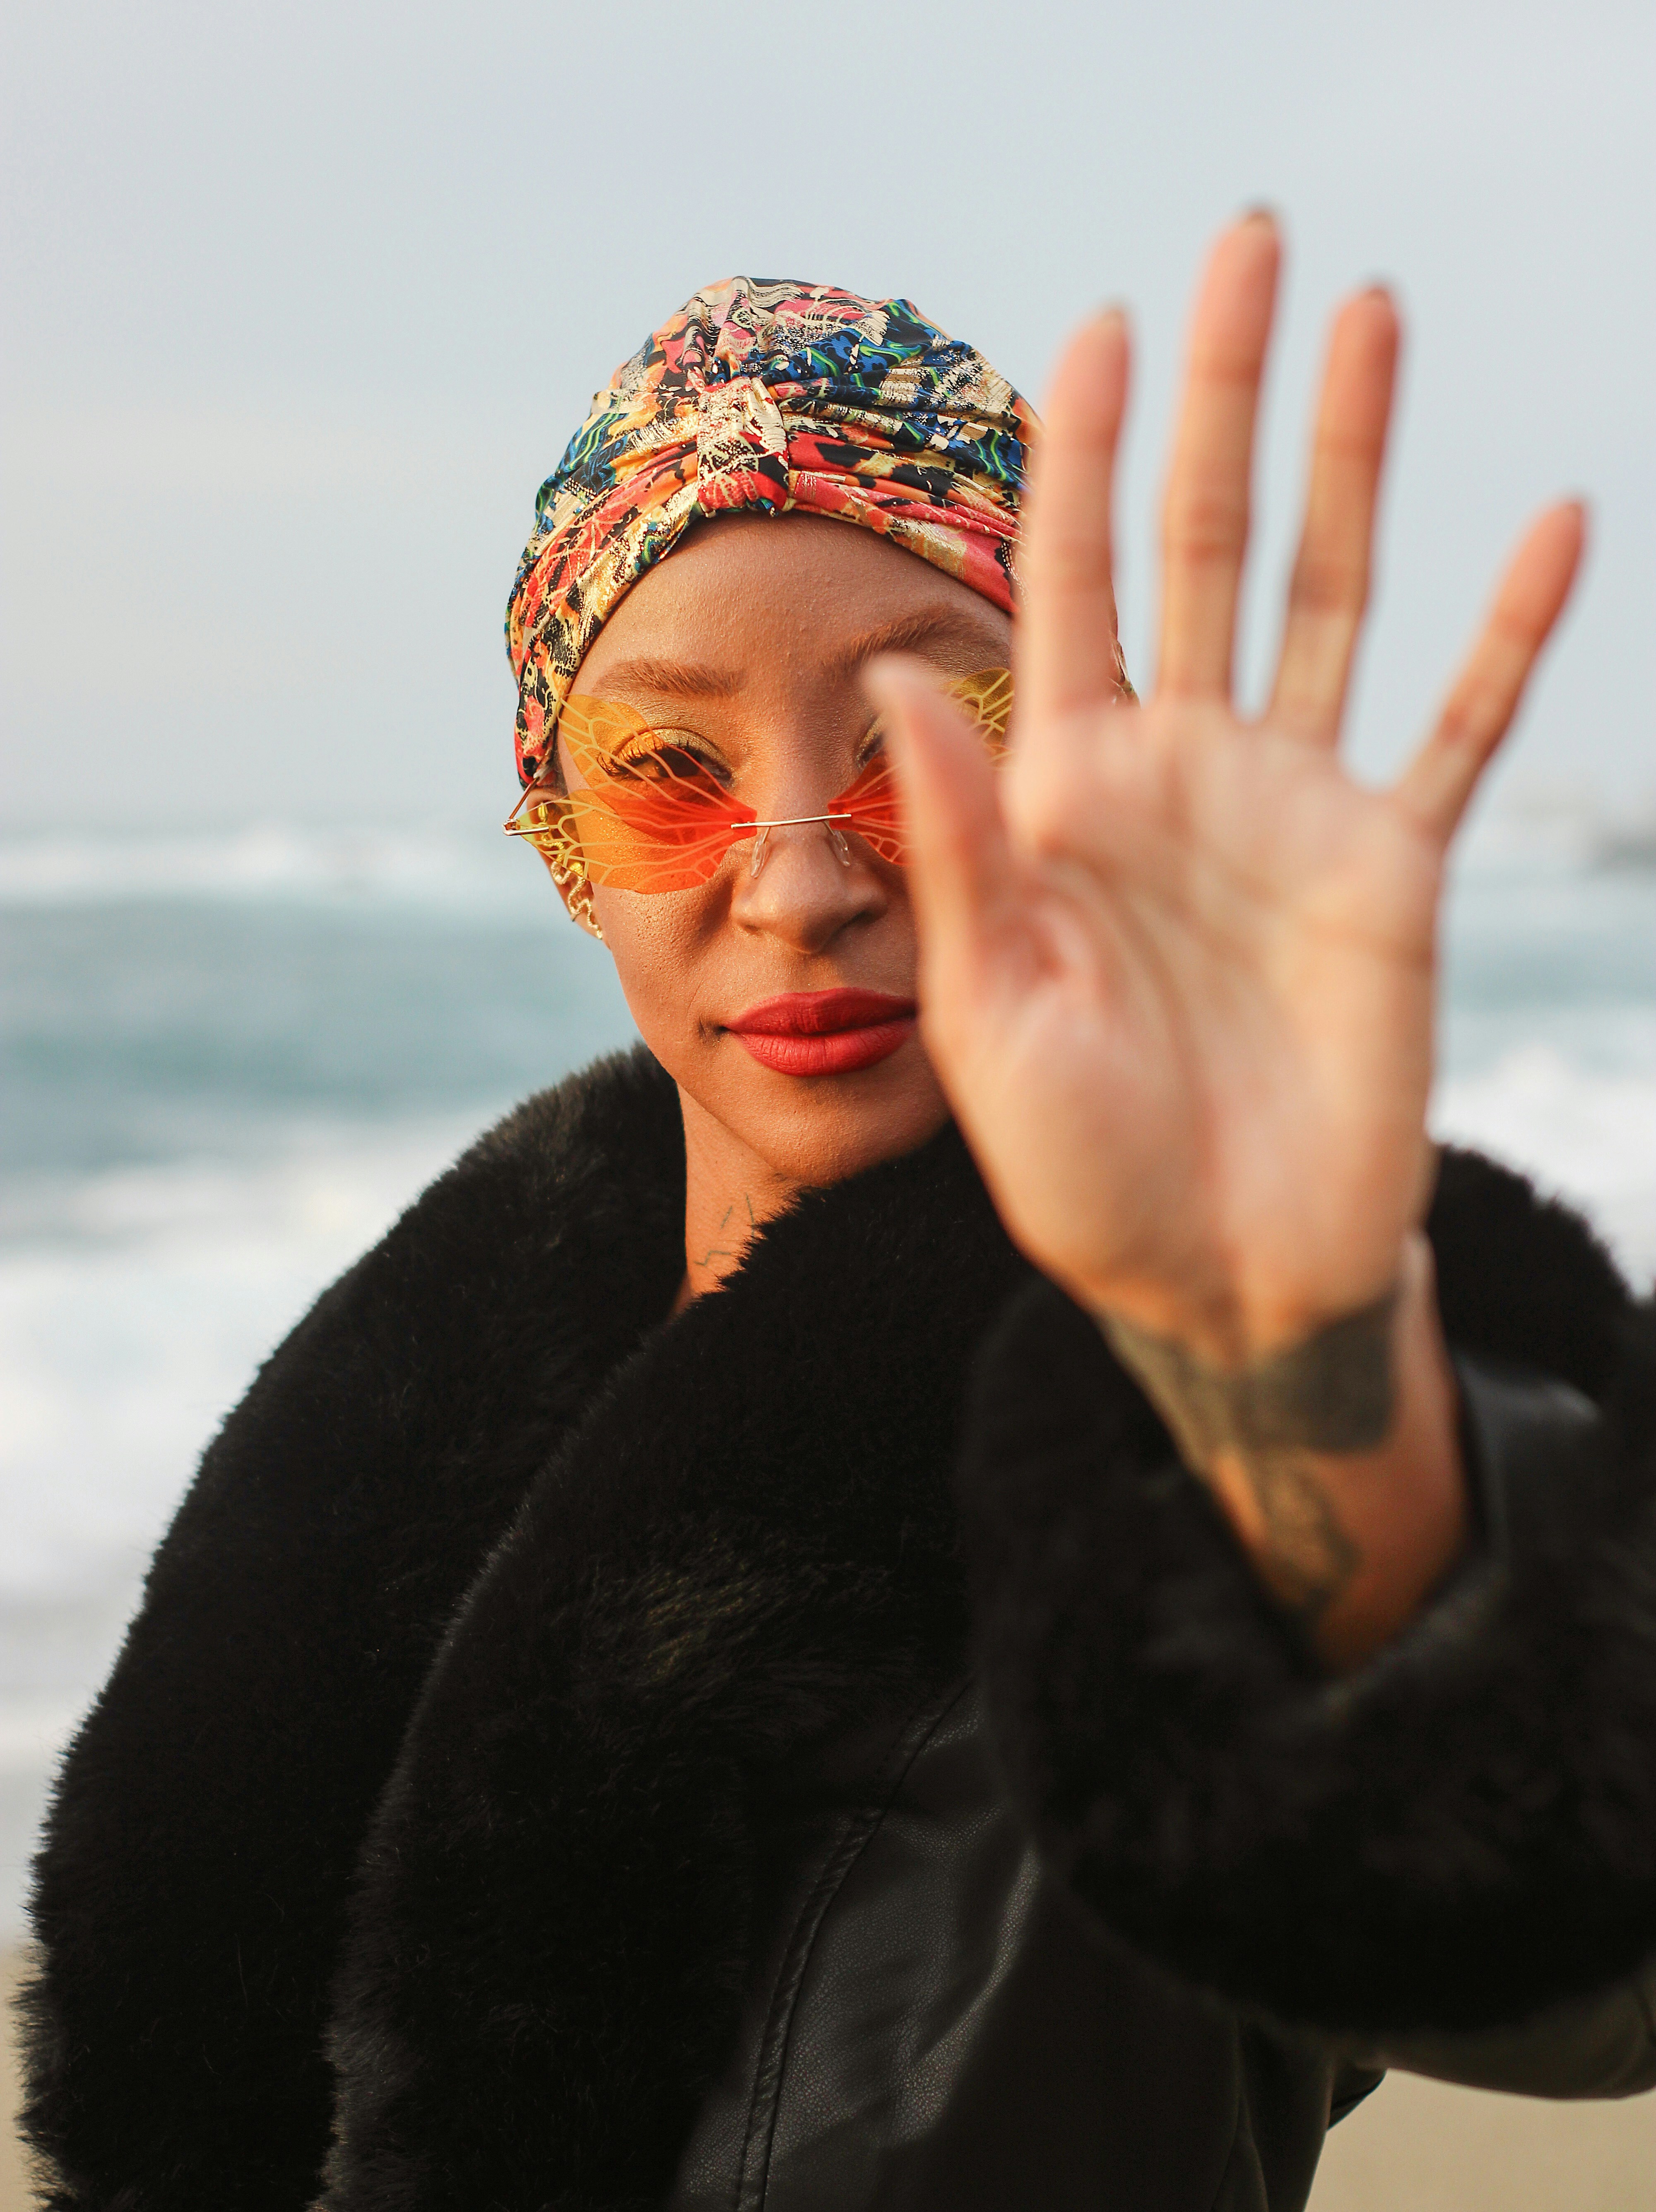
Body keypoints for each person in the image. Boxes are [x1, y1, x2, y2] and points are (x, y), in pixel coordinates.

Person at [23, 228, 1656, 2212]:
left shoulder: (1203, 1421)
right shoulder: (382, 1458)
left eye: (933, 742)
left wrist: (1304, 1387)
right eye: (669, 770)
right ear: (564, 841)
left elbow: (1591, 1956)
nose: (797, 883)